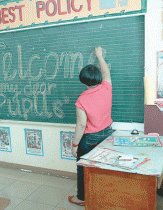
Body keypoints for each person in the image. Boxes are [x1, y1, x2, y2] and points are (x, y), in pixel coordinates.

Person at [68, 47, 113, 206]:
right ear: (98, 78)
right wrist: (100, 56)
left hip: (89, 138)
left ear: (83, 80)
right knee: (104, 166)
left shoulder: (81, 100)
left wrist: (74, 145)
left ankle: (82, 197)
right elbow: (107, 74)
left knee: (83, 168)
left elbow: (81, 125)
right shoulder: (107, 88)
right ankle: (103, 195)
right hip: (107, 134)